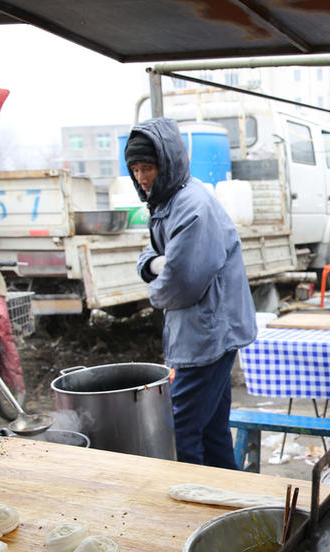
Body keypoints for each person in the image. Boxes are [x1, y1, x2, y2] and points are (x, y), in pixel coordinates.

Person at [128, 117, 257, 469]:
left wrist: (153, 273)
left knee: (181, 427)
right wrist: (155, 263)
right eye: (135, 169)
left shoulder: (191, 206)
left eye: (148, 168)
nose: (141, 177)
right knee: (212, 430)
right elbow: (163, 264)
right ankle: (228, 503)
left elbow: (179, 283)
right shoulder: (170, 200)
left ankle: (192, 502)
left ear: (166, 164)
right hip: (204, 331)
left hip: (206, 335)